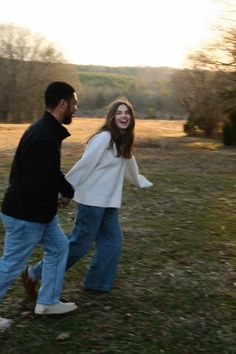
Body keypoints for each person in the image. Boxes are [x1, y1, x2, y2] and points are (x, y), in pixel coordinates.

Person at [22, 97, 153, 296]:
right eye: (119, 113)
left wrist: (140, 181)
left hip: (108, 203)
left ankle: (95, 283)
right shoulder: (104, 138)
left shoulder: (122, 140)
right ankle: (34, 273)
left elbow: (130, 165)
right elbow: (84, 165)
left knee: (113, 243)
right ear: (112, 117)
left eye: (127, 113)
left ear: (131, 118)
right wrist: (66, 190)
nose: (124, 116)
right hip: (91, 202)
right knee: (78, 246)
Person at [0, 81, 79, 331]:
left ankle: (47, 302)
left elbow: (49, 172)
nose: (76, 108)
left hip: (38, 213)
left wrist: (65, 191)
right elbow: (36, 182)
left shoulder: (47, 130)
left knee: (59, 247)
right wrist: (60, 194)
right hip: (27, 215)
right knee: (12, 265)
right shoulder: (44, 135)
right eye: (74, 103)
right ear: (62, 103)